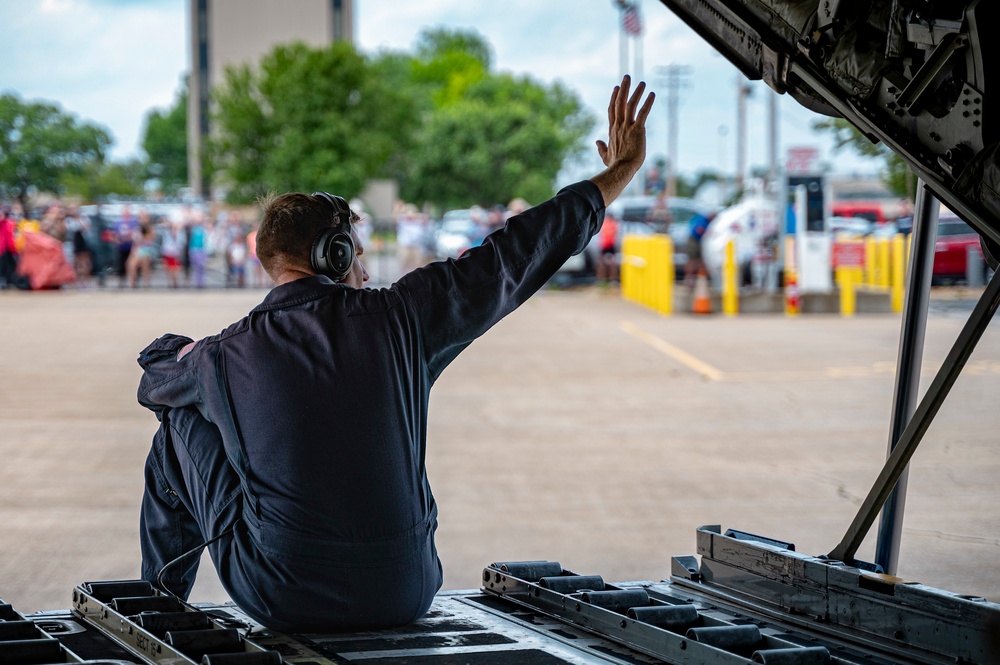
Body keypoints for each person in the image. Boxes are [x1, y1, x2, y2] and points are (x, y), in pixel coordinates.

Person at [135, 76, 654, 632]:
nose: (364, 270)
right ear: (336, 256)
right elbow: (517, 253)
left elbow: (153, 384)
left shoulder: (224, 355)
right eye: (356, 255)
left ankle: (156, 614)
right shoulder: (404, 317)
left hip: (283, 597)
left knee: (178, 426)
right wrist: (617, 172)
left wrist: (182, 353)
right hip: (407, 591)